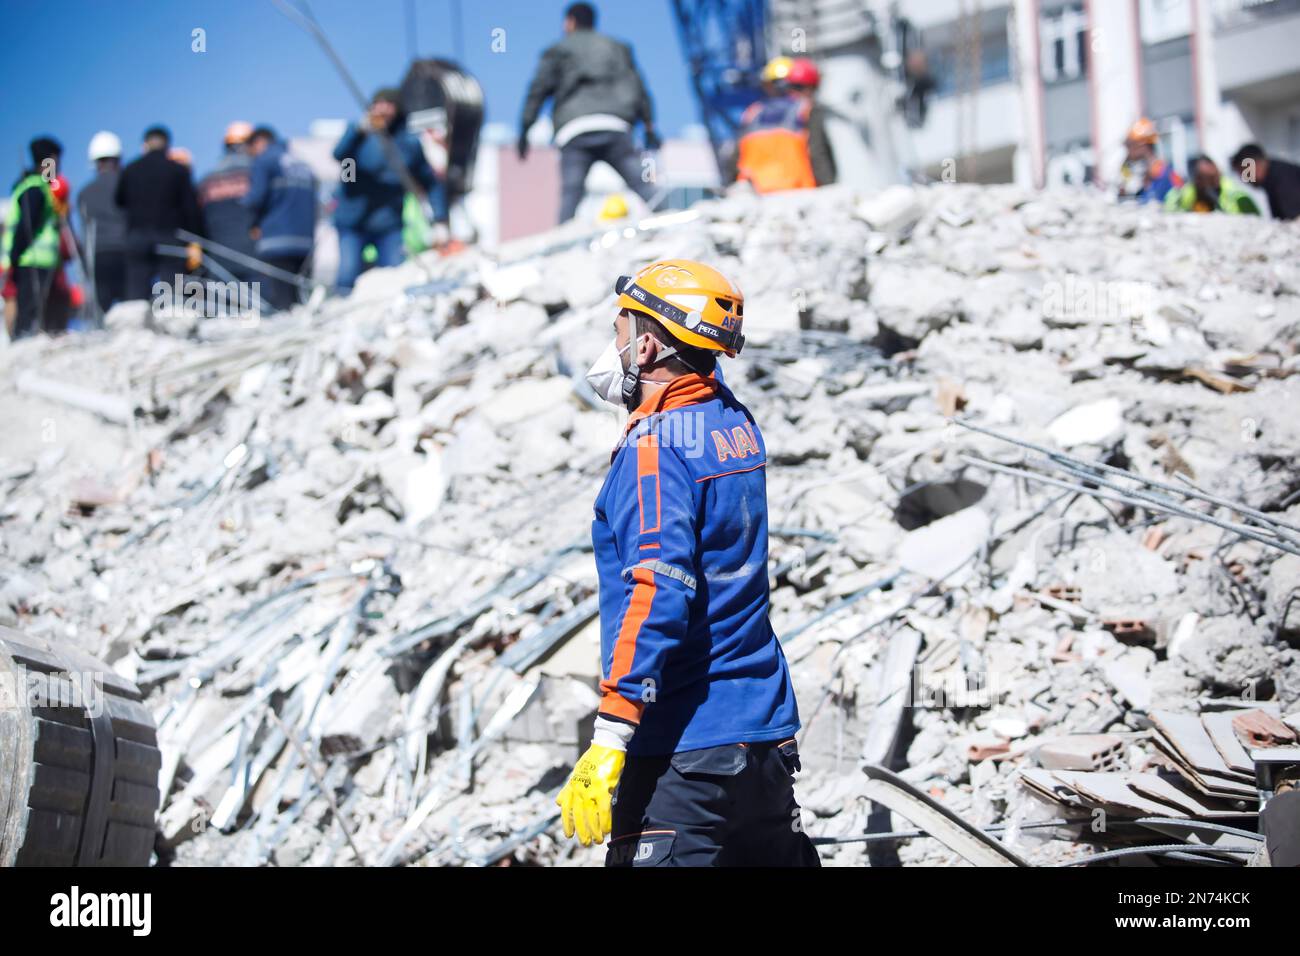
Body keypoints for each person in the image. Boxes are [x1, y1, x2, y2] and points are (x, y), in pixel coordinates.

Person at [558, 259, 819, 867]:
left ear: (647, 345)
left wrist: (609, 737)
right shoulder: (733, 423)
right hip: (762, 740)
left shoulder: (656, 449)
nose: (612, 345)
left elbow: (659, 588)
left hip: (686, 753)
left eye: (620, 330)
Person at [519, 2, 659, 223]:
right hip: (615, 126)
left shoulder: (558, 50)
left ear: (570, 22)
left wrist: (524, 129)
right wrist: (650, 126)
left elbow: (537, 90)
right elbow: (638, 87)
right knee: (644, 188)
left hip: (575, 130)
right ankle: (676, 221)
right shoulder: (617, 47)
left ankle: (561, 242)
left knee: (570, 195)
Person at [331, 88, 437, 294]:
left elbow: (429, 181)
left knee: (394, 277)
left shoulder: (408, 144)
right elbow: (341, 158)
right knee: (347, 274)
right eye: (378, 104)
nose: (382, 110)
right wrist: (357, 133)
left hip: (388, 224)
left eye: (388, 104)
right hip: (353, 221)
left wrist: (440, 219)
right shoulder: (358, 137)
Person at [114, 125, 204, 301]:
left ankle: (136, 324)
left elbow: (119, 201)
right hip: (169, 236)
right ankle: (172, 323)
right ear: (167, 146)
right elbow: (191, 208)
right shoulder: (178, 171)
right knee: (172, 290)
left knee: (137, 288)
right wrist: (196, 240)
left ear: (145, 145)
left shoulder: (130, 170)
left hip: (137, 236)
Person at [729, 56, 833, 193]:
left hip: (756, 194)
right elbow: (817, 153)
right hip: (798, 193)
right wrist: (829, 188)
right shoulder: (805, 110)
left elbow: (734, 160)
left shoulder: (752, 112)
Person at [244, 126, 317, 311]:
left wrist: (249, 219)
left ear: (259, 142)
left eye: (250, 149)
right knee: (302, 298)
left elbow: (255, 198)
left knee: (282, 302)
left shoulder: (265, 161)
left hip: (276, 239)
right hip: (306, 241)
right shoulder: (303, 164)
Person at [2, 136, 64, 339]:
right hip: (32, 260)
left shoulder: (30, 186)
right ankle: (23, 346)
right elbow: (26, 227)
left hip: (30, 260)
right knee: (29, 314)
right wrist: (15, 255)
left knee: (34, 311)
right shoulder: (36, 188)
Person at [197, 122, 258, 282]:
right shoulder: (257, 175)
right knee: (258, 305)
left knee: (221, 306)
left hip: (217, 257)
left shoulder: (207, 180)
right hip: (254, 257)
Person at [77, 131, 128, 317]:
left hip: (98, 256)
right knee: (130, 306)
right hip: (126, 251)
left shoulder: (84, 194)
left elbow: (85, 231)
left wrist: (85, 265)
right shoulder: (127, 185)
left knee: (104, 310)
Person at [1165, 155, 1260, 215]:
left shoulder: (1236, 196)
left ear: (1217, 170)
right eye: (1202, 177)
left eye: (1210, 177)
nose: (1207, 182)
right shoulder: (1188, 193)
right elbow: (1171, 213)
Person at [1117, 117, 1181, 204]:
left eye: (1130, 144)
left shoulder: (1166, 176)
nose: (1128, 152)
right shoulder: (1144, 178)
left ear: (1144, 146)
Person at [1230, 143, 1300, 222]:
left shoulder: (1284, 179)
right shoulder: (1272, 178)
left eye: (1246, 173)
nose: (1245, 179)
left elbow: (1296, 220)